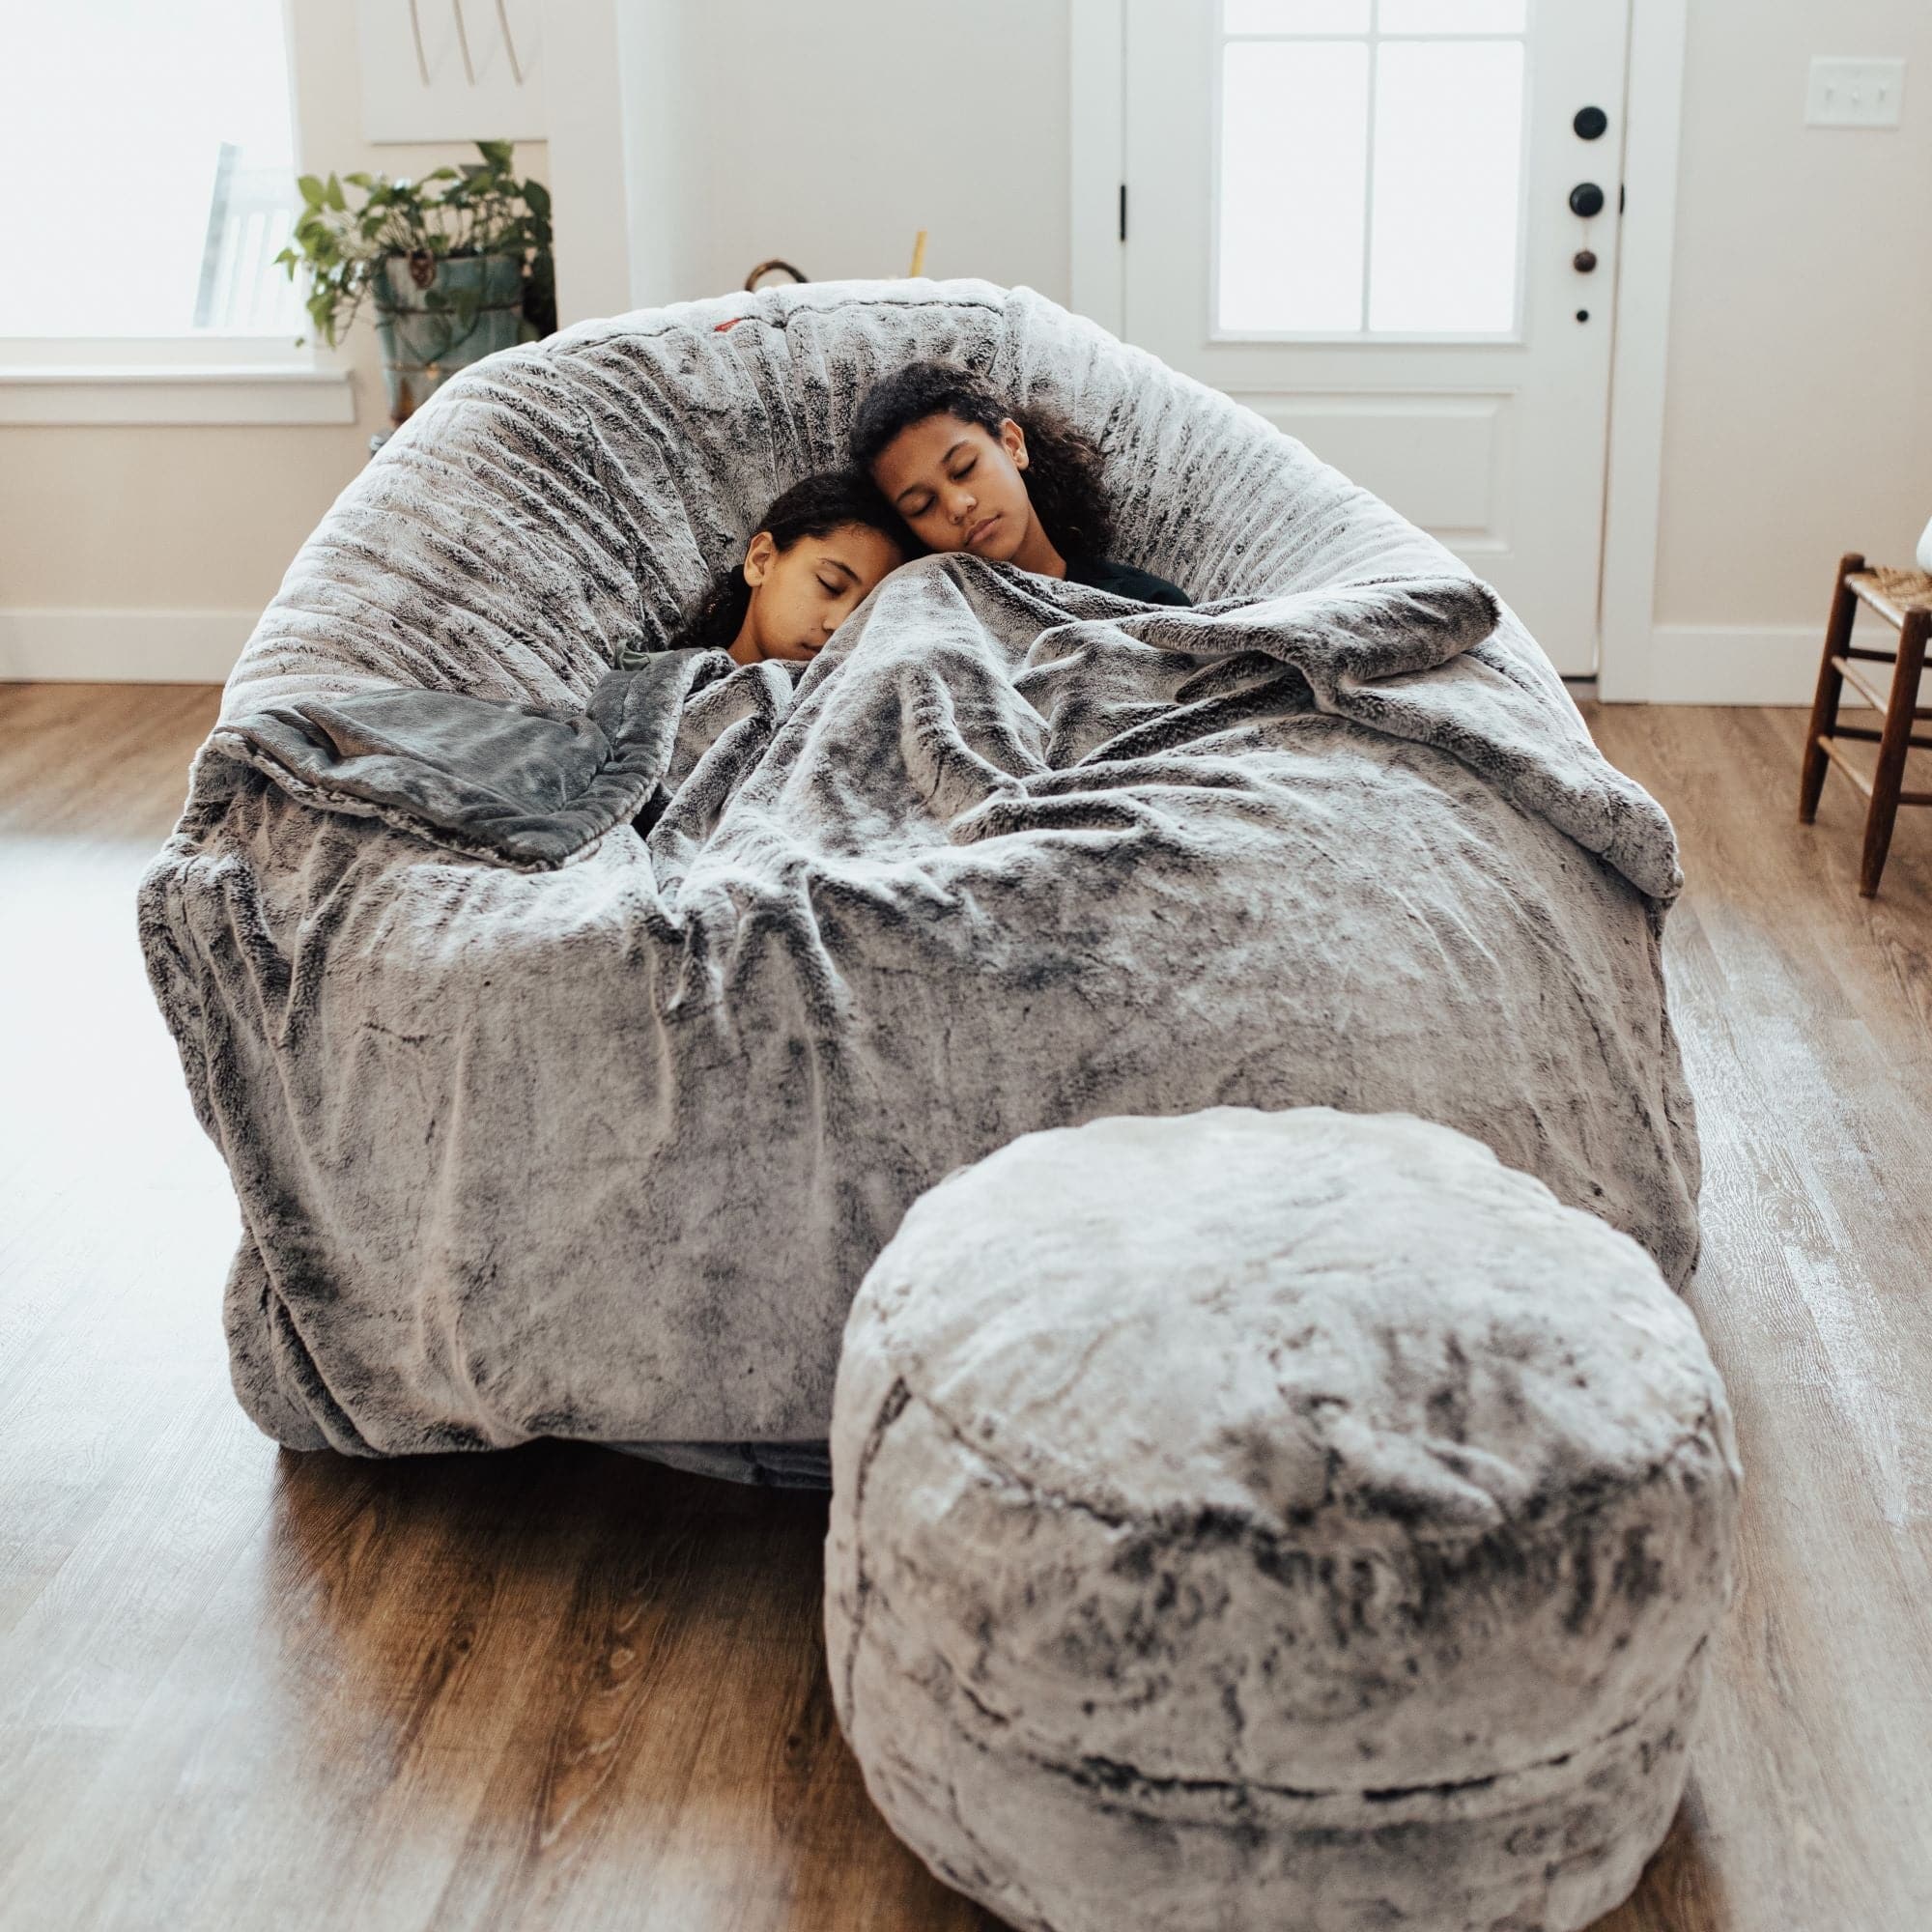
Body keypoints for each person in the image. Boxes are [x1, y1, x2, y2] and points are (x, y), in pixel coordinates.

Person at [848, 360, 1192, 608]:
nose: (957, 505)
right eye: (921, 506)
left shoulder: (1146, 603)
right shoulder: (924, 623)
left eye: (965, 468)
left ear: (1013, 445)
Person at [667, 470, 911, 666]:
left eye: (863, 613)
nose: (840, 625)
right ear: (760, 561)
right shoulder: (648, 685)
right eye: (830, 585)